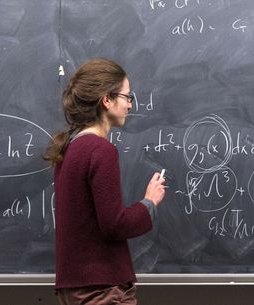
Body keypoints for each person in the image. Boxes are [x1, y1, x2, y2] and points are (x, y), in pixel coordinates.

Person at [44, 58, 166, 305]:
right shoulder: (100, 150)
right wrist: (149, 203)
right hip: (102, 289)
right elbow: (114, 224)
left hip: (75, 286)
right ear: (106, 100)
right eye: (127, 96)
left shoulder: (69, 148)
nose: (130, 105)